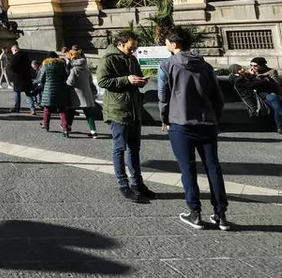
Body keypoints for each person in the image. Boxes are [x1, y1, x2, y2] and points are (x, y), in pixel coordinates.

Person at [157, 28, 230, 231]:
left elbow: (163, 97)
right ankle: (221, 215)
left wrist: (165, 118)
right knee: (213, 167)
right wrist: (215, 117)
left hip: (180, 123)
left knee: (187, 169)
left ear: (173, 44)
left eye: (166, 42)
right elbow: (218, 96)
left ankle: (195, 213)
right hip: (207, 122)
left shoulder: (166, 65)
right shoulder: (205, 66)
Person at [97, 31, 155, 203]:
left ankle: (137, 183)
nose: (134, 51)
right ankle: (123, 184)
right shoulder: (109, 59)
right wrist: (126, 80)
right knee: (119, 149)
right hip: (118, 110)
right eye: (131, 48)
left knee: (134, 149)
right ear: (121, 44)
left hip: (134, 110)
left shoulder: (132, 59)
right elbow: (102, 81)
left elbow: (133, 79)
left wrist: (140, 81)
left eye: (135, 48)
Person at [36, 54, 73, 135]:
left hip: (48, 90)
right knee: (62, 109)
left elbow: (41, 79)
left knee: (47, 108)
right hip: (60, 90)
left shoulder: (45, 66)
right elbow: (65, 76)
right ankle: (65, 128)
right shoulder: (61, 66)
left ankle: (46, 125)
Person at [66, 48, 98, 138]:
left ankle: (68, 127)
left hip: (76, 95)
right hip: (86, 94)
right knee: (89, 114)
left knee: (70, 111)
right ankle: (93, 132)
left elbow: (70, 82)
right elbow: (91, 81)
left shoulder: (74, 69)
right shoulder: (86, 69)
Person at [9, 44, 32, 113]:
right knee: (28, 93)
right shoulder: (25, 55)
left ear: (15, 50)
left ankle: (17, 108)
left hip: (17, 77)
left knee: (17, 93)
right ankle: (32, 108)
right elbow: (29, 65)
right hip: (26, 76)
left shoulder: (15, 56)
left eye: (12, 51)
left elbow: (12, 66)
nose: (12, 52)